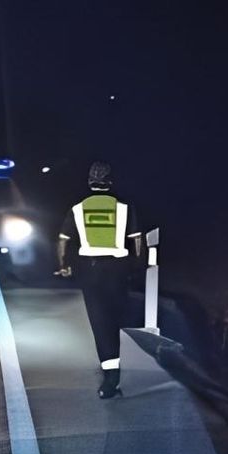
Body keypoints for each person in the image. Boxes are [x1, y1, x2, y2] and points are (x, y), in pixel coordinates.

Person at [56, 161, 142, 399]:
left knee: (100, 321)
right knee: (114, 318)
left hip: (90, 270)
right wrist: (135, 265)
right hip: (118, 269)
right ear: (111, 181)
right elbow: (136, 239)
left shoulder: (78, 209)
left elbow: (63, 240)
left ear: (89, 182)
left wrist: (64, 266)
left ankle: (110, 378)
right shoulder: (124, 208)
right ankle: (111, 370)